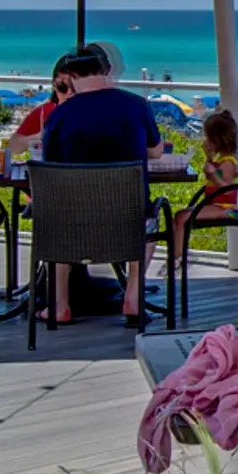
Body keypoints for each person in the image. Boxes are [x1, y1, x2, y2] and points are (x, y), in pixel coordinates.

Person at [41, 48, 166, 322]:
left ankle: (59, 304)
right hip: (128, 219)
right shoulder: (136, 105)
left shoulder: (60, 115)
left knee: (55, 220)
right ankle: (133, 297)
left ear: (69, 77)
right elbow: (156, 151)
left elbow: (50, 165)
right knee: (150, 217)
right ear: (107, 71)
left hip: (72, 222)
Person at [168, 105, 238, 267]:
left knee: (182, 218)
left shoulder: (228, 163)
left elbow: (228, 190)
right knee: (179, 216)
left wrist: (213, 174)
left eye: (207, 137)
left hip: (225, 209)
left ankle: (177, 258)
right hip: (216, 205)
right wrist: (209, 159)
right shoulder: (221, 160)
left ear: (217, 140)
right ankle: (177, 254)